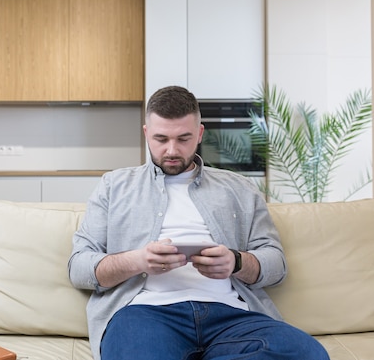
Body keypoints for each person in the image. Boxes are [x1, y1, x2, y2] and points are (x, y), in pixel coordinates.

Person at [68, 86, 329, 360]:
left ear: (200, 134)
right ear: (146, 133)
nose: (172, 150)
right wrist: (138, 260)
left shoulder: (240, 188)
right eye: (161, 139)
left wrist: (235, 262)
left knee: (307, 353)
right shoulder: (114, 186)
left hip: (230, 317)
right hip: (145, 314)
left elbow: (276, 265)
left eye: (184, 138)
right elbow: (79, 266)